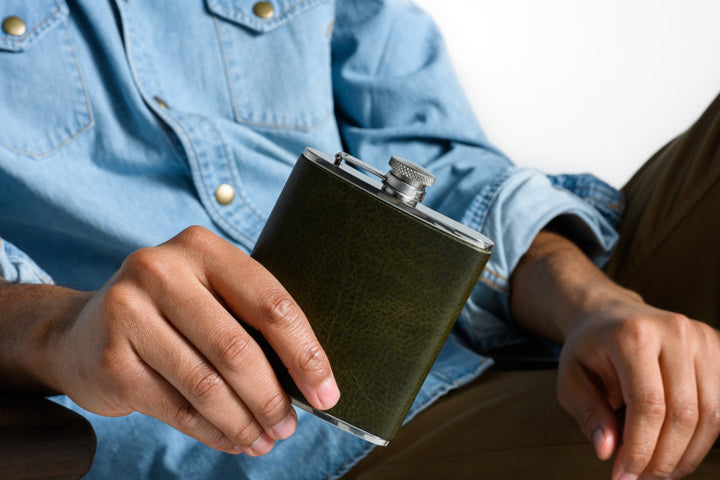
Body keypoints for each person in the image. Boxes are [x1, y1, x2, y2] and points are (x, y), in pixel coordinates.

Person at [0, 1, 718, 479]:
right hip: (300, 447)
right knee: (679, 444)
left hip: (507, 306)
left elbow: (431, 151)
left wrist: (593, 303)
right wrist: (57, 329)